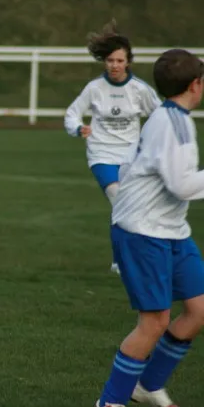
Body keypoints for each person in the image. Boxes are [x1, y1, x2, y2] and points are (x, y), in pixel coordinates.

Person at [96, 49, 204, 407]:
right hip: (143, 231)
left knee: (199, 309)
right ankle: (110, 401)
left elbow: (132, 166)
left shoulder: (169, 116)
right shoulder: (173, 124)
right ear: (195, 84)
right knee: (154, 321)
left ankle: (147, 385)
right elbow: (182, 185)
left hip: (171, 229)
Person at [64, 19, 161, 274]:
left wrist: (155, 140)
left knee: (135, 207)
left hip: (131, 156)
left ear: (128, 62)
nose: (114, 65)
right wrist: (78, 128)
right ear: (104, 62)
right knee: (119, 200)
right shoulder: (94, 88)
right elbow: (72, 113)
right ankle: (122, 261)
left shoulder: (140, 90)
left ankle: (130, 257)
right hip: (101, 154)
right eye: (110, 60)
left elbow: (161, 115)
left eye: (119, 60)